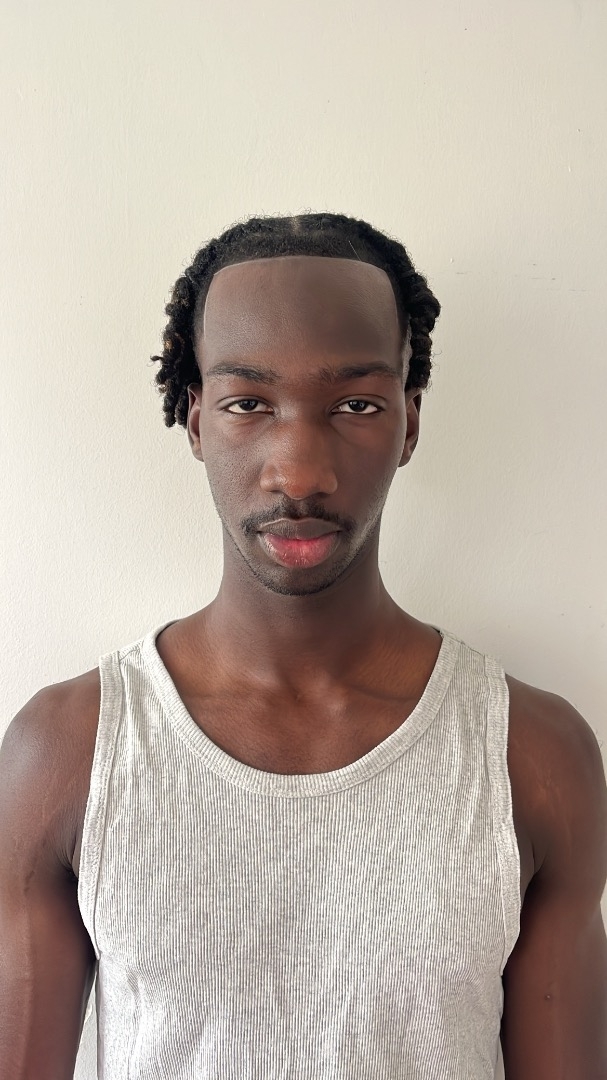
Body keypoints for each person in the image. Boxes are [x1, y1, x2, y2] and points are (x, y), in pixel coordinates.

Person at [1, 213, 606, 1080]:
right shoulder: (67, 751)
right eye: (248, 404)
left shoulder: (531, 756)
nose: (299, 472)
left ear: (408, 424)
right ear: (195, 420)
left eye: (355, 405)